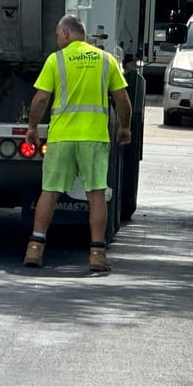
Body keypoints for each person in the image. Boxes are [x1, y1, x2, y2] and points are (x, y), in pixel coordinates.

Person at [23, 14, 132, 273]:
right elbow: (122, 98)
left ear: (65, 33)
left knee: (50, 191)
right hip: (94, 138)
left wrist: (32, 127)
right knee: (96, 194)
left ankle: (35, 248)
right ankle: (97, 254)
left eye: (57, 35)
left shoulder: (56, 60)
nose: (57, 39)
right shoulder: (106, 60)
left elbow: (41, 99)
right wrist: (125, 126)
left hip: (62, 138)